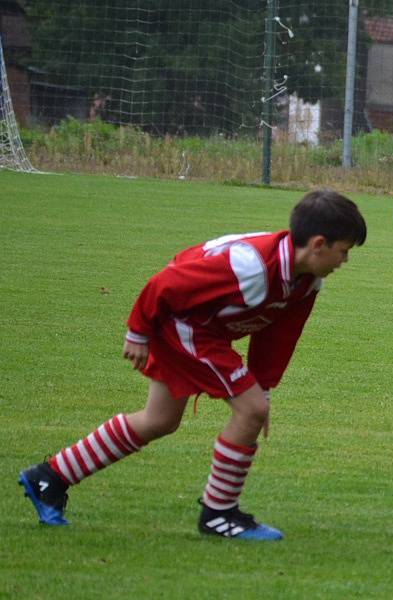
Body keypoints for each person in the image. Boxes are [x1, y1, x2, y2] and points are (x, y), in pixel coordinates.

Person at [18, 189, 367, 541]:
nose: (345, 260)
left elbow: (278, 336)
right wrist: (138, 331)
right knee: (250, 411)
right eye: (344, 250)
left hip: (203, 333)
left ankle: (49, 476)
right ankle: (219, 513)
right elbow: (168, 282)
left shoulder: (308, 281)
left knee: (159, 420)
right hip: (186, 329)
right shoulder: (251, 265)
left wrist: (263, 386)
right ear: (319, 244)